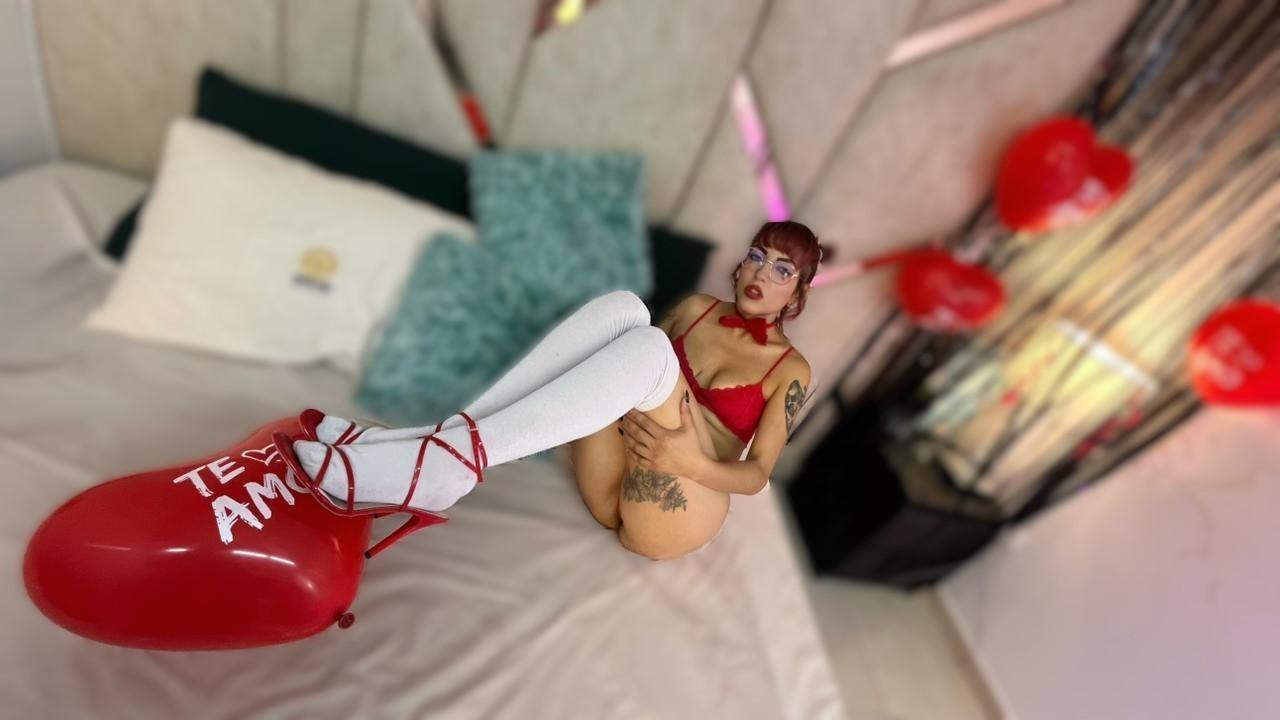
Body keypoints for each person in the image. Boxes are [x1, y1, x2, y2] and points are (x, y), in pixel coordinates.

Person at [274, 221, 820, 560]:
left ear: (796, 295)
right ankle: (435, 450)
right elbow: (626, 372)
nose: (761, 274)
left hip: (677, 504)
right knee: (626, 310)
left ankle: (435, 460)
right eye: (757, 256)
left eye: (782, 270)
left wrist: (690, 462)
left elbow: (756, 475)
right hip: (612, 476)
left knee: (652, 347)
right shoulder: (696, 309)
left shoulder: (790, 369)